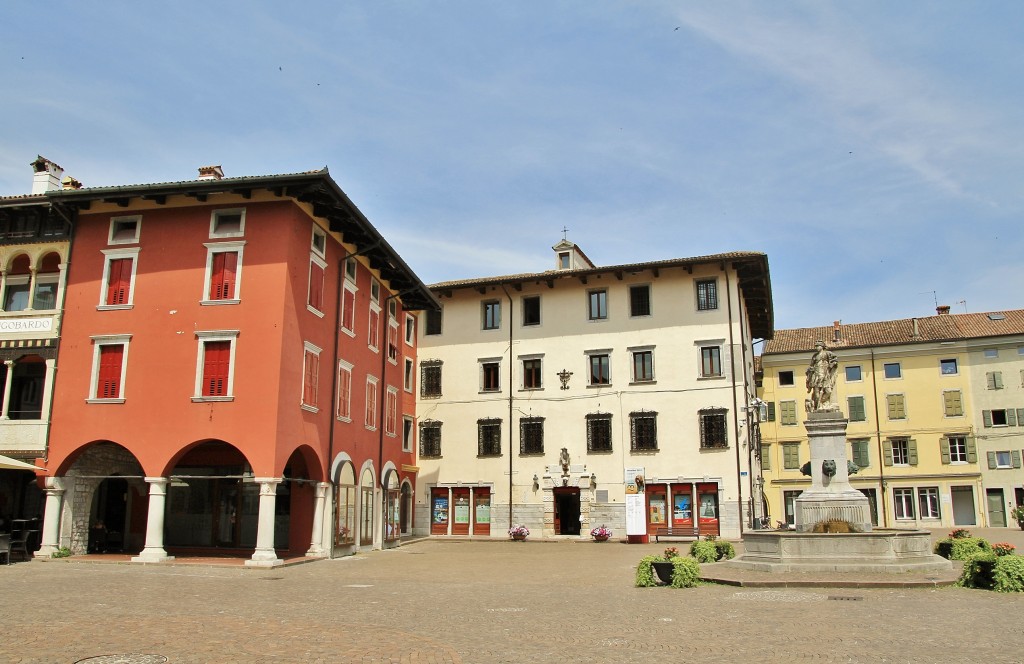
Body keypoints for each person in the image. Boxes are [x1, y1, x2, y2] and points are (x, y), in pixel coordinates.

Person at [805, 341, 839, 411]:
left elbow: (835, 359)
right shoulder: (815, 356)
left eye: (818, 346)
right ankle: (819, 405)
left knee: (828, 391)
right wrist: (810, 370)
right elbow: (811, 365)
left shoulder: (827, 353)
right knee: (816, 393)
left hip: (825, 374)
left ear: (822, 346)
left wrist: (832, 364)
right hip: (816, 375)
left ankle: (823, 402)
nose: (817, 348)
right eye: (816, 346)